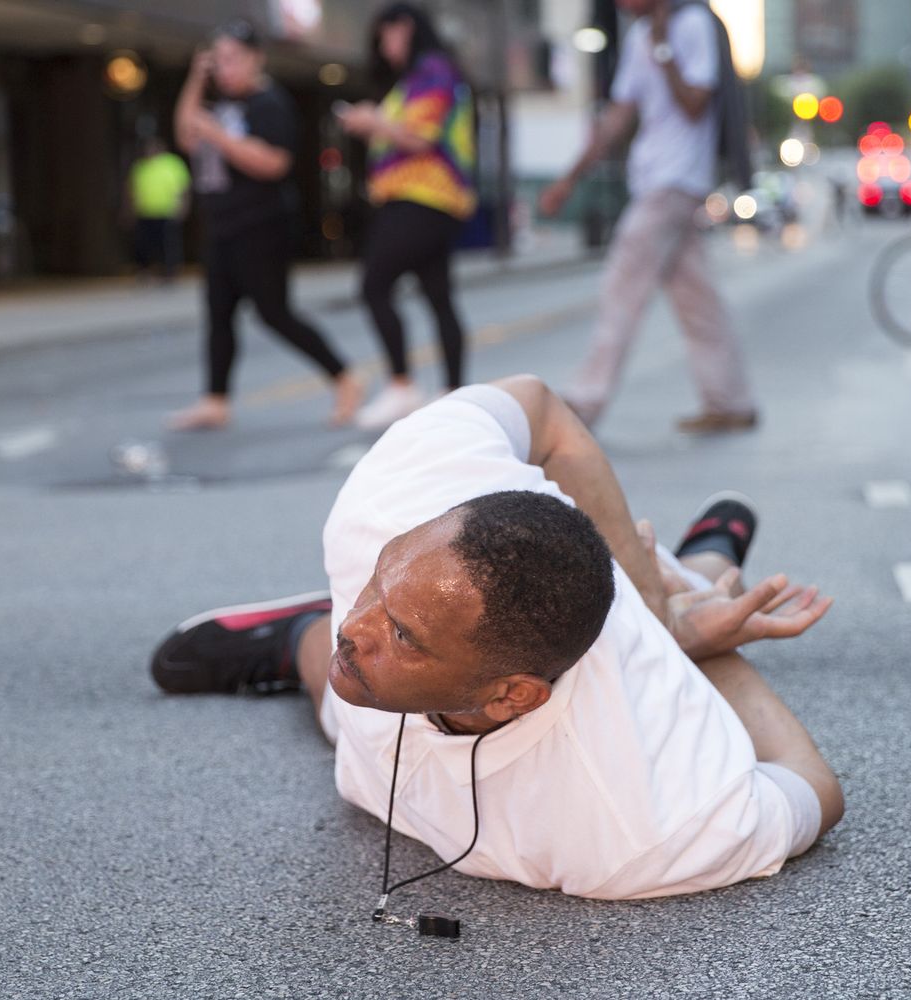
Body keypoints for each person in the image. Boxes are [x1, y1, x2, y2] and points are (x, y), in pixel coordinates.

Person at [151, 374, 844, 900]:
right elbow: (544, 409)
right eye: (378, 585)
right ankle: (695, 564)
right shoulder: (392, 495)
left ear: (513, 696)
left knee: (693, 606)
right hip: (578, 583)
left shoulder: (640, 829)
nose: (356, 627)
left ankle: (702, 563)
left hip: (588, 667)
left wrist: (696, 651)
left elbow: (814, 786)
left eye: (403, 632)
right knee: (340, 682)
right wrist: (664, 617)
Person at [539, 0, 757, 434]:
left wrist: (663, 49)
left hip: (675, 181)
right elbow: (617, 118)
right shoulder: (637, 36)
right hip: (655, 179)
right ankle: (731, 400)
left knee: (622, 284)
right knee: (698, 300)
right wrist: (569, 179)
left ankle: (584, 401)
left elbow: (696, 102)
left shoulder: (692, 24)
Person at [169, 19, 363, 431]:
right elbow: (187, 135)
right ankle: (215, 400)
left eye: (232, 59)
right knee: (218, 313)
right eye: (217, 60)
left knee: (274, 312)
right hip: (221, 224)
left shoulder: (269, 104)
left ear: (255, 59)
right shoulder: (218, 104)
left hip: (261, 225)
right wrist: (195, 80)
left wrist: (218, 136)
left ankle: (343, 377)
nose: (224, 68)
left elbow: (273, 163)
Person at [338, 3, 477, 430]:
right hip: (431, 200)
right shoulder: (418, 78)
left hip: (423, 197)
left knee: (374, 284)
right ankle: (453, 392)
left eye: (387, 34)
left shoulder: (432, 71)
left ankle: (402, 385)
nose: (383, 45)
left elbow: (418, 135)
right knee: (437, 293)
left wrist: (371, 121)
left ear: (407, 29)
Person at [124, 136, 191, 282]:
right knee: (144, 244)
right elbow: (130, 190)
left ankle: (169, 270)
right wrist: (129, 210)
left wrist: (184, 206)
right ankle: (144, 270)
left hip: (167, 211)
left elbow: (184, 187)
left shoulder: (172, 164)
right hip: (145, 212)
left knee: (167, 243)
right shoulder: (140, 167)